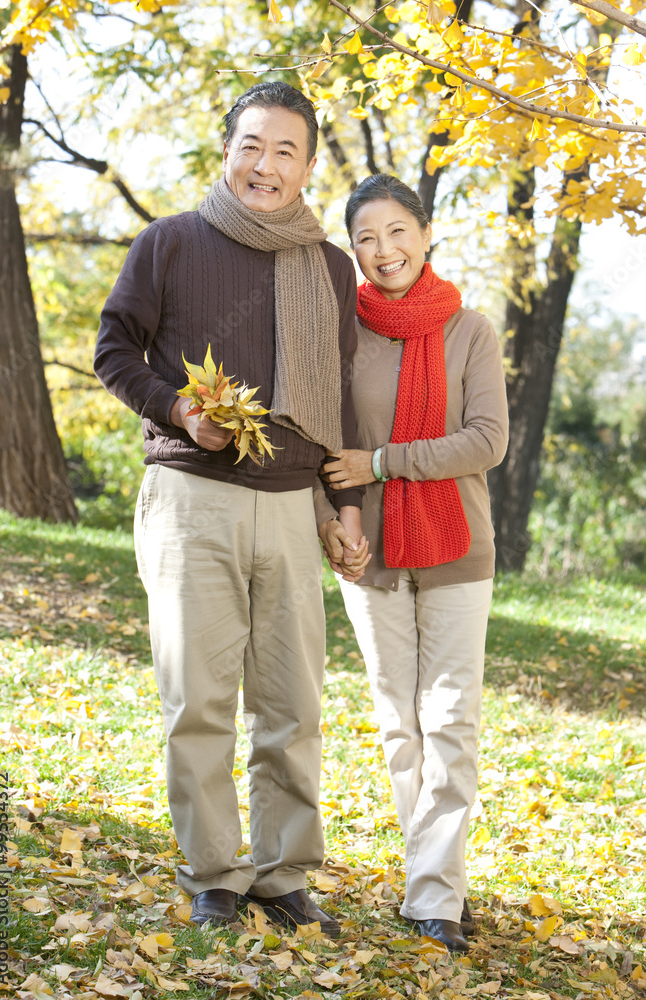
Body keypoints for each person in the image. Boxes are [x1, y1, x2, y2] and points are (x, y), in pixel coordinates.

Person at [94, 82, 369, 937]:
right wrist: (179, 409)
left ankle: (283, 875)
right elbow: (113, 349)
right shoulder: (171, 243)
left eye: (286, 150)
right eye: (252, 145)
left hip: (292, 505)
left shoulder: (327, 263)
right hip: (190, 501)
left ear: (309, 165)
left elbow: (340, 397)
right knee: (199, 699)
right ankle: (213, 871)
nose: (266, 164)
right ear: (227, 149)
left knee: (292, 704)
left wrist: (346, 503)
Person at [318, 174, 509, 953]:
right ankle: (433, 878)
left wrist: (385, 461)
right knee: (400, 726)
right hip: (371, 556)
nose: (384, 249)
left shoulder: (470, 331)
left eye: (397, 231)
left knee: (449, 721)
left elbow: (484, 440)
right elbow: (328, 450)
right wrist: (340, 515)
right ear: (353, 250)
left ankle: (434, 892)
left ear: (424, 235)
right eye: (366, 237)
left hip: (458, 549)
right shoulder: (341, 332)